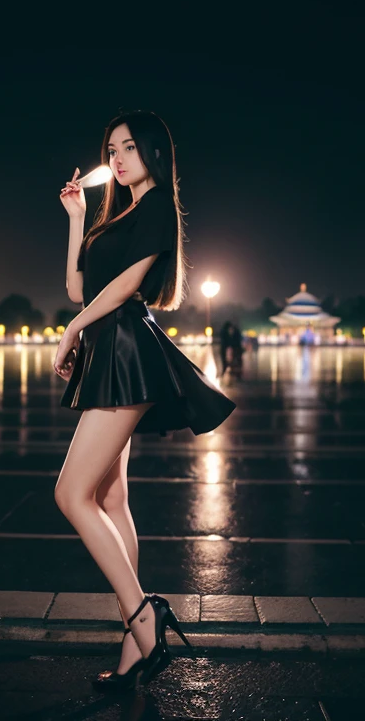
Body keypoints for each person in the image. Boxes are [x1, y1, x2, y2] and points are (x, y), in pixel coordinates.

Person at [53, 110, 237, 692]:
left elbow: (128, 287)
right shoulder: (121, 211)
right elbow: (78, 287)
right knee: (111, 498)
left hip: (125, 349)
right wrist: (78, 219)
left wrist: (70, 331)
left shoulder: (156, 204)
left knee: (70, 493)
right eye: (111, 149)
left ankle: (143, 616)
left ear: (153, 152)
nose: (118, 157)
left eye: (129, 147)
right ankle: (135, 647)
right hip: (111, 349)